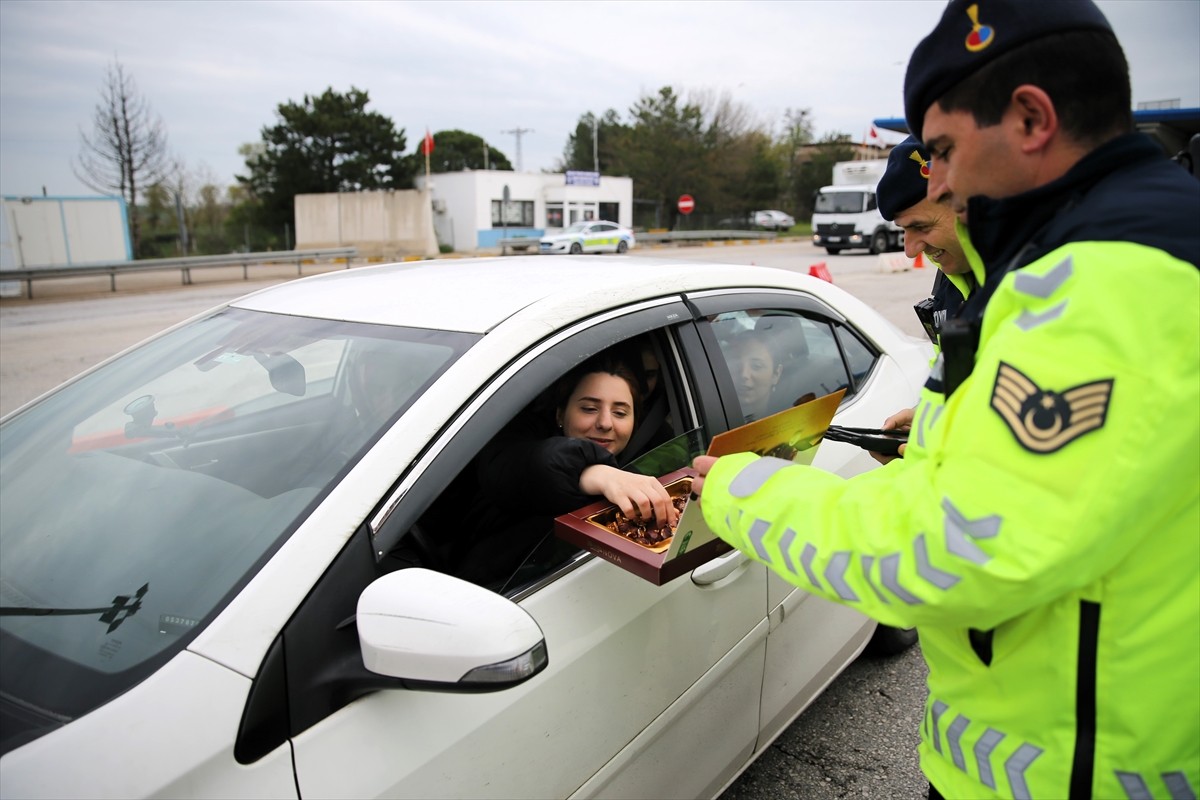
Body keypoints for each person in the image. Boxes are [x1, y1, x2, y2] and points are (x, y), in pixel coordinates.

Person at [692, 2, 1200, 798]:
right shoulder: (1108, 254)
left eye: (943, 151)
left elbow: (949, 551)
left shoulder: (1101, 285)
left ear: (1031, 117)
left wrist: (740, 488)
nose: (940, 182)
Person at [456, 352, 679, 586]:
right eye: (589, 409)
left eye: (620, 413)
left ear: (635, 421)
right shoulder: (520, 443)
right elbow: (518, 465)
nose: (605, 423)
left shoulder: (661, 451)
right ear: (560, 413)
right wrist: (593, 473)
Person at [873, 135, 979, 462]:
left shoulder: (1030, 281)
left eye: (921, 226)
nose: (909, 249)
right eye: (903, 230)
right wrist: (926, 418)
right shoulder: (949, 276)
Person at [724, 329, 783, 422]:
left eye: (756, 366)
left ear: (776, 374)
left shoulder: (789, 417)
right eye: (736, 365)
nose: (744, 374)